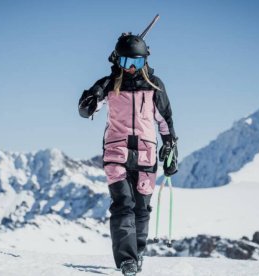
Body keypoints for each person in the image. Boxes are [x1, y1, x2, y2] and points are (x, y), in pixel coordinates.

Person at [78, 32, 178, 276]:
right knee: (123, 204)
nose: (132, 69)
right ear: (117, 61)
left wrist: (171, 150)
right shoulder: (109, 84)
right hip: (117, 151)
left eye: (137, 63)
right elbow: (86, 108)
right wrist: (89, 101)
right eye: (126, 63)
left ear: (145, 61)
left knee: (142, 208)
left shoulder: (154, 86)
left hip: (146, 153)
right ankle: (127, 260)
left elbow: (165, 121)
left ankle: (138, 252)